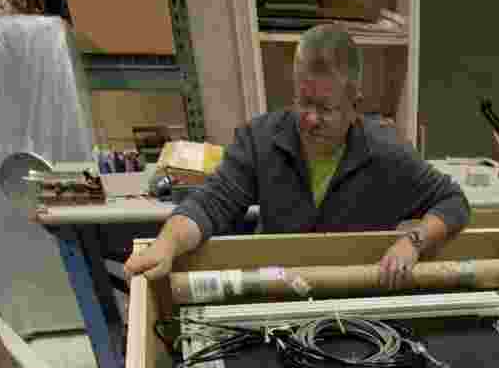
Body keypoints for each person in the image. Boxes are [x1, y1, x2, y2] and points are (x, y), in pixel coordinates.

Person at [124, 25, 470, 291]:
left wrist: (414, 242)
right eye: (303, 102)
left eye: (325, 108)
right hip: (278, 287)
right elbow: (211, 203)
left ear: (354, 105)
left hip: (354, 291)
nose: (310, 119)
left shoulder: (387, 153)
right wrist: (166, 244)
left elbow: (453, 201)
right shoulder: (261, 140)